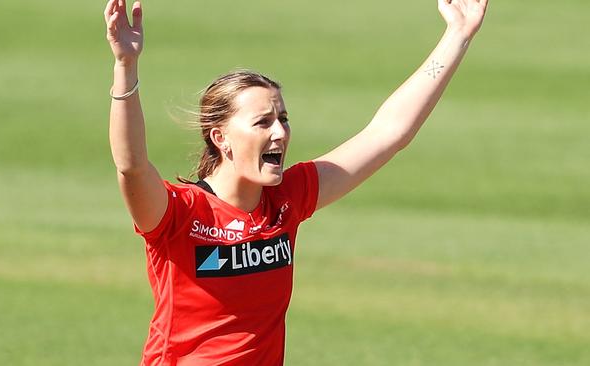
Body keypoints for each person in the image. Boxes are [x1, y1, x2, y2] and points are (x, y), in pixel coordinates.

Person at [103, 0, 488, 364]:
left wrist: (458, 34)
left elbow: (389, 133)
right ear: (220, 138)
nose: (280, 133)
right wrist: (125, 65)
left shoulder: (288, 198)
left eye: (283, 119)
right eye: (263, 122)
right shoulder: (180, 213)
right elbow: (133, 167)